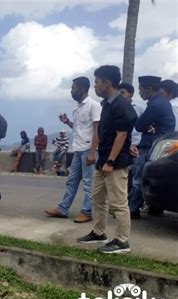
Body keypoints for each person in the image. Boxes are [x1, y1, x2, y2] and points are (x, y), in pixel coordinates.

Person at [77, 65, 137, 254]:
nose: (95, 86)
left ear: (106, 83)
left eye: (96, 82)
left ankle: (121, 240)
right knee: (97, 198)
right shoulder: (107, 105)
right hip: (103, 160)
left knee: (118, 203)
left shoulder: (121, 104)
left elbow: (121, 135)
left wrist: (110, 162)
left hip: (116, 163)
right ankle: (98, 232)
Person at [45, 77, 101, 223]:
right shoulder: (77, 108)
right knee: (72, 181)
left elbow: (97, 131)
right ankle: (63, 209)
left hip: (89, 149)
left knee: (88, 183)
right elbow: (78, 129)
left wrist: (92, 152)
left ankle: (87, 212)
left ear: (82, 88)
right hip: (78, 149)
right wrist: (67, 122)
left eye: (73, 88)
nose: (71, 91)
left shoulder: (93, 105)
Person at [128, 76, 175, 219]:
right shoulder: (163, 103)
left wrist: (148, 126)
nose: (140, 93)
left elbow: (140, 125)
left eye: (141, 89)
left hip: (150, 146)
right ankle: (154, 207)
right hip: (160, 146)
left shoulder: (155, 105)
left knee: (138, 178)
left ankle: (132, 209)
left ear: (149, 89)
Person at [118, 83, 145, 202]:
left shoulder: (139, 108)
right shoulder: (117, 108)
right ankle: (123, 202)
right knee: (123, 177)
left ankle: (133, 206)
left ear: (131, 94)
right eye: (119, 93)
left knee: (136, 176)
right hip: (122, 146)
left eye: (123, 93)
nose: (120, 95)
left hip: (136, 145)